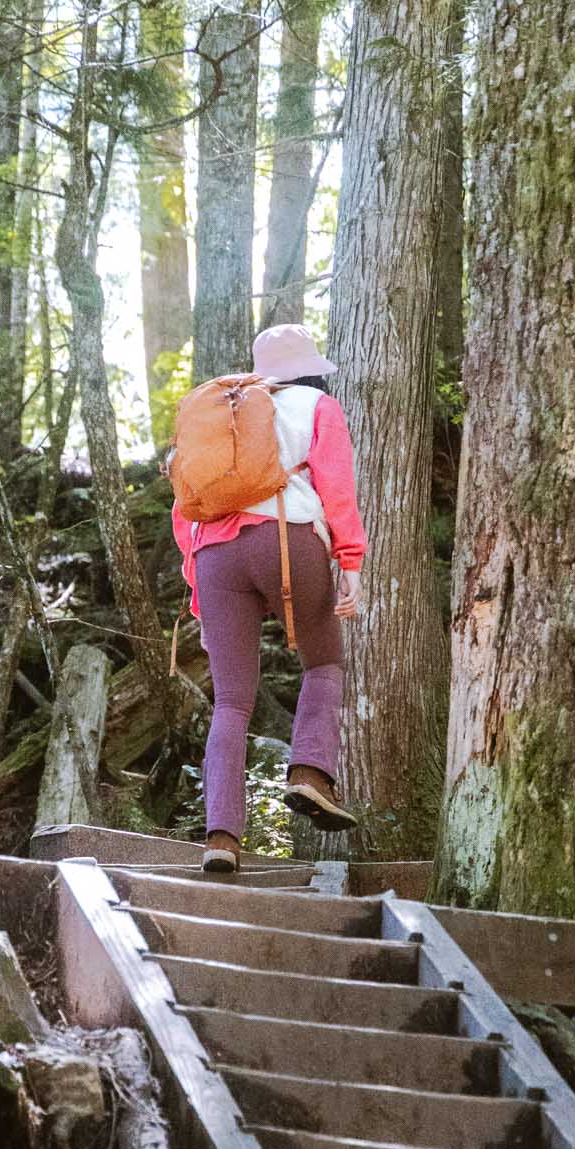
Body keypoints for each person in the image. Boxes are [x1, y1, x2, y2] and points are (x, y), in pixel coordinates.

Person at [171, 323, 368, 877]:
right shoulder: (317, 404)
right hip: (287, 540)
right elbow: (336, 487)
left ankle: (221, 837)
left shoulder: (219, 411)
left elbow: (184, 508)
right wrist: (349, 561)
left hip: (215, 559)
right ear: (307, 367)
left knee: (231, 702)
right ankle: (308, 774)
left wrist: (199, 591)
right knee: (323, 662)